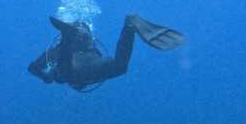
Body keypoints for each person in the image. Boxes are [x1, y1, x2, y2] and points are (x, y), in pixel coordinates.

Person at [27, 14, 184, 91]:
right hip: (93, 64)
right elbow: (32, 68)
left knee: (64, 74)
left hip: (73, 66)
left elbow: (33, 67)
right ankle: (129, 26)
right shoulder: (86, 47)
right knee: (120, 66)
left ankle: (67, 36)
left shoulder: (54, 51)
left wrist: (46, 77)